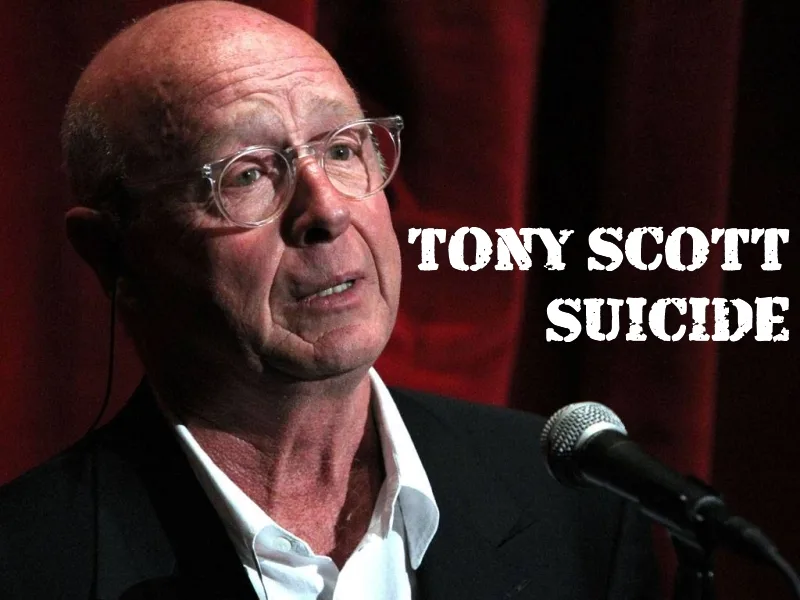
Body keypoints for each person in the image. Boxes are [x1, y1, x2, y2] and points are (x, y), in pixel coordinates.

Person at [0, 2, 657, 598]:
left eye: (343, 149)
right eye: (247, 173)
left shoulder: (575, 505)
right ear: (111, 252)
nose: (328, 210)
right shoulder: (28, 563)